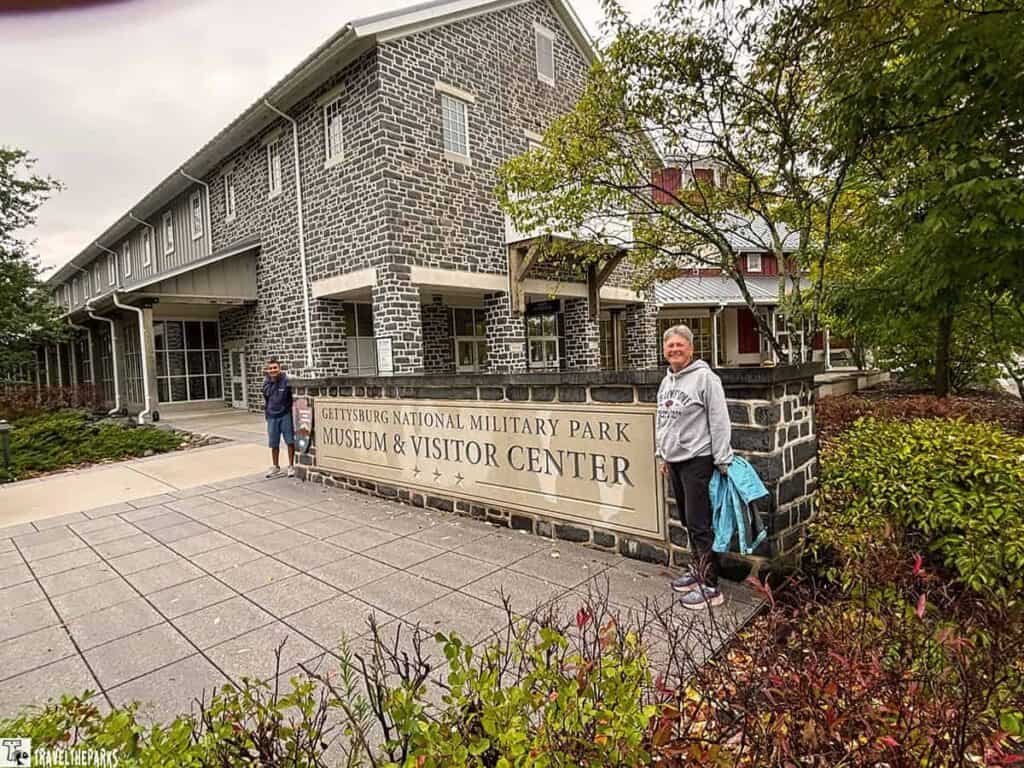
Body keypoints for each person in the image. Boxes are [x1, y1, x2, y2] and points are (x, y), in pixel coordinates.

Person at [655, 325, 734, 610]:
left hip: (697, 460)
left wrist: (723, 459)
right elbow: (662, 420)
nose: (674, 350)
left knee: (700, 524)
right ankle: (698, 571)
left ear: (691, 348)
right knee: (689, 521)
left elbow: (720, 420)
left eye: (680, 345)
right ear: (665, 350)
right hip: (674, 461)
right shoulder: (667, 382)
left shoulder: (705, 379)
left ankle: (711, 586)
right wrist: (661, 454)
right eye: (670, 346)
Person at [263, 358, 295, 478]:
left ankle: (291, 466)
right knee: (273, 443)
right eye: (270, 368)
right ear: (268, 370)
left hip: (285, 415)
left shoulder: (286, 380)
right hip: (272, 416)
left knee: (290, 441)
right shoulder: (266, 383)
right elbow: (266, 399)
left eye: (275, 368)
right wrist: (267, 413)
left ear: (279, 368)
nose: (273, 370)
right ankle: (276, 466)